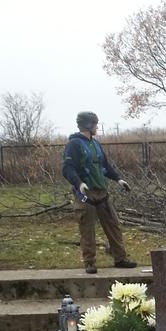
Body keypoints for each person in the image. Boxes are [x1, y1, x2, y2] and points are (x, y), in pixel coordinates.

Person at [62, 111, 137, 274]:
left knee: (113, 226)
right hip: (86, 195)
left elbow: (105, 166)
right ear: (88, 125)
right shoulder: (73, 145)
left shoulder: (95, 144)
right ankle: (89, 262)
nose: (97, 127)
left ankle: (120, 258)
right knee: (87, 230)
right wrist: (79, 183)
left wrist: (118, 179)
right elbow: (67, 168)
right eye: (95, 124)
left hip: (102, 193)